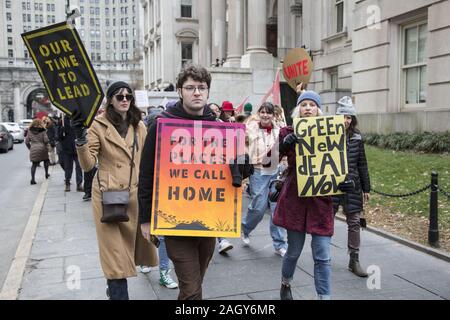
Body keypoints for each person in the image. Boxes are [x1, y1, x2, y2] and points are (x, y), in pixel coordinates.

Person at [139, 64, 234, 300]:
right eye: (190, 87)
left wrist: (241, 164)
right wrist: (144, 219)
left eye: (202, 87)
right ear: (180, 91)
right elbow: (146, 175)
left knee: (193, 286)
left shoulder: (220, 128)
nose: (197, 92)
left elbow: (235, 174)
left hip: (208, 221)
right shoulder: (161, 124)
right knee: (192, 291)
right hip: (175, 223)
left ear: (208, 92)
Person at [72, 81, 158, 300]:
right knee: (115, 259)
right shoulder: (98, 126)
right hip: (108, 198)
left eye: (128, 96)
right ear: (110, 99)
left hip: (135, 197)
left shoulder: (139, 125)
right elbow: (88, 165)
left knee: (128, 254)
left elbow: (149, 160)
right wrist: (81, 140)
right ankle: (118, 291)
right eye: (119, 96)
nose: (125, 100)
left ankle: (114, 287)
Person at [241, 102, 288, 257]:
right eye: (263, 112)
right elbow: (239, 140)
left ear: (273, 115)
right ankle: (246, 228)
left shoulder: (280, 130)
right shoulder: (250, 128)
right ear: (259, 113)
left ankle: (279, 244)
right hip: (258, 171)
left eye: (269, 112)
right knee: (259, 206)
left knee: (277, 208)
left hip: (276, 170)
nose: (266, 115)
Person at [333, 96, 371, 277]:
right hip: (332, 184)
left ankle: (354, 260)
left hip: (352, 185)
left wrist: (366, 188)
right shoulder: (328, 135)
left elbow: (362, 163)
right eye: (343, 116)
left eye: (349, 117)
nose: (346, 120)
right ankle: (322, 256)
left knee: (354, 222)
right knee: (326, 220)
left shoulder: (357, 137)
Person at [59, 115, 83, 192]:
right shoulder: (63, 124)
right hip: (67, 149)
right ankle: (67, 184)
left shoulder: (77, 123)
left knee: (79, 167)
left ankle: (79, 184)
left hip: (77, 148)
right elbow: (59, 137)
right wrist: (62, 132)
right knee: (68, 168)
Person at [25, 119, 50, 185]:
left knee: (34, 164)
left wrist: (30, 148)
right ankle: (46, 174)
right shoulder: (43, 130)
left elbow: (26, 141)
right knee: (46, 160)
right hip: (43, 148)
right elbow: (46, 140)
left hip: (33, 148)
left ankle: (32, 179)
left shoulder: (30, 131)